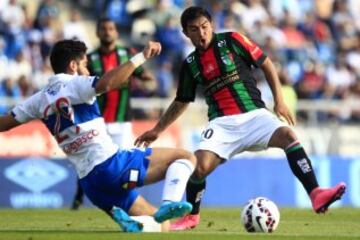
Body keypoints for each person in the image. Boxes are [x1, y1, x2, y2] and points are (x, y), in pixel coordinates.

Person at [134, 6, 346, 231]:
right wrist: (158, 129)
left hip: (254, 115)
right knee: (198, 166)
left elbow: (265, 63)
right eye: (194, 30)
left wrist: (279, 100)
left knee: (288, 135)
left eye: (205, 27)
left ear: (212, 25)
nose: (202, 33)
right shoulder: (190, 64)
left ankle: (315, 193)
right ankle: (192, 217)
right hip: (222, 124)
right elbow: (181, 100)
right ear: (186, 33)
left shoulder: (232, 40)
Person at [0, 39, 196, 232]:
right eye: (85, 64)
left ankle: (132, 223)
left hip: (90, 184)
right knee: (186, 157)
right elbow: (109, 83)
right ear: (73, 65)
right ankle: (170, 202)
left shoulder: (37, 100)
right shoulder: (77, 84)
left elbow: (4, 124)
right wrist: (141, 57)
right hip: (111, 165)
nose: (88, 70)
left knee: (162, 225)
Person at [71, 17, 157, 210]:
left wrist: (148, 80)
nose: (107, 32)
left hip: (122, 121)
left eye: (111, 28)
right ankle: (78, 197)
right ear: (97, 32)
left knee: (125, 166)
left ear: (116, 32)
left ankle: (127, 201)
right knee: (89, 162)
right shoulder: (91, 58)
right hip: (97, 122)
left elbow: (144, 75)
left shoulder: (127, 54)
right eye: (104, 28)